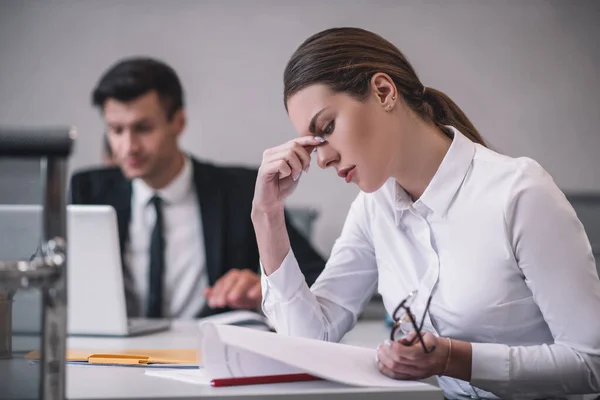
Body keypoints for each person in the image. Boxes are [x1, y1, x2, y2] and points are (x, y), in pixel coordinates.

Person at [252, 27, 600, 399]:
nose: (322, 158)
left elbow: (591, 364)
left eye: (328, 128)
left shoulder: (519, 192)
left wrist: (454, 358)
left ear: (383, 92)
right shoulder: (374, 209)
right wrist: (267, 215)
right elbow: (308, 341)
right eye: (313, 143)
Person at [70, 57, 325, 319]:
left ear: (178, 122)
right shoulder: (88, 191)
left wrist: (266, 288)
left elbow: (319, 276)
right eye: (116, 130)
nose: (129, 146)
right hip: (111, 353)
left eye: (143, 128)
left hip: (207, 349)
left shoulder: (240, 190)